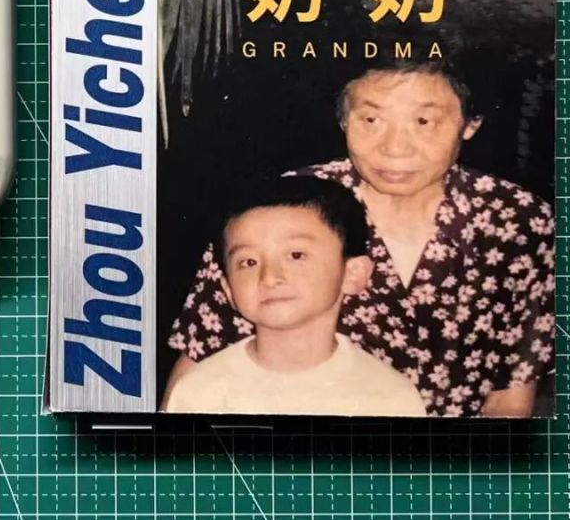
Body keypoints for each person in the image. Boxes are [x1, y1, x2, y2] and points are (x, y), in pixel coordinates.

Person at [167, 59, 555, 417]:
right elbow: (199, 357)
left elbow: (510, 396)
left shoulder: (518, 221)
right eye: (371, 119)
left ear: (470, 123)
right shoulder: (287, 205)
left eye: (423, 121)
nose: (395, 148)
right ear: (343, 119)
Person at [163, 177, 427, 416]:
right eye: (249, 262)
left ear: (353, 274)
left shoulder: (389, 398)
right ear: (228, 290)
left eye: (296, 255)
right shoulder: (199, 392)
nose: (270, 277)